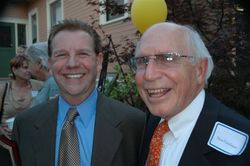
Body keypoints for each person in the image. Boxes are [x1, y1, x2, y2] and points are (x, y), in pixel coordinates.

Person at [12, 19, 145, 166]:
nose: (72, 64)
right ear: (50, 63)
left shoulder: (134, 125)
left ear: (99, 61)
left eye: (82, 53)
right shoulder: (25, 125)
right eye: (62, 55)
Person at [130, 22, 250, 166]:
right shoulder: (143, 127)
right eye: (142, 61)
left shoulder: (243, 146)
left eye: (167, 58)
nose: (149, 75)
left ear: (200, 70)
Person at [0, 55, 43, 166]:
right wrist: (1, 129)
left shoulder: (39, 86)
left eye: (30, 67)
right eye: (25, 67)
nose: (29, 71)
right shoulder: (3, 89)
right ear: (14, 69)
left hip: (32, 141)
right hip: (7, 143)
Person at [25, 42, 60, 107]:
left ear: (39, 63)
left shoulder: (53, 83)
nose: (27, 65)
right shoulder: (49, 82)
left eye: (29, 61)